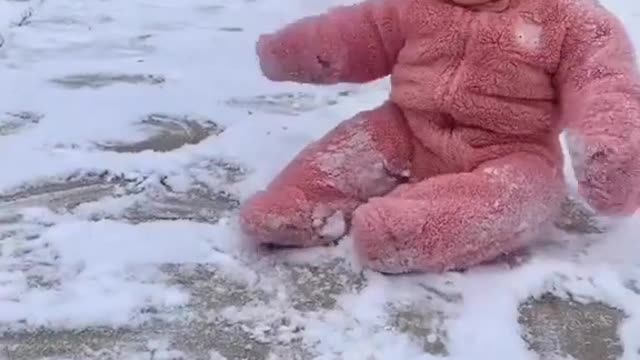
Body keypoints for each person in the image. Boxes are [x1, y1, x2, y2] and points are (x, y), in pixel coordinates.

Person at [239, 0, 640, 274]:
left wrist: (612, 148)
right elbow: (359, 34)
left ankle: (411, 231)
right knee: (355, 146)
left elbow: (603, 83)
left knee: (517, 196)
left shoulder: (570, 19)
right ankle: (300, 205)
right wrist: (297, 51)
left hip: (511, 152)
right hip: (408, 127)